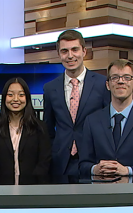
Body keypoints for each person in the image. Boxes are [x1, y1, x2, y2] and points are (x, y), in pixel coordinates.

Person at [78, 59, 133, 179]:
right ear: (108, 85)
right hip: (101, 194)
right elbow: (83, 165)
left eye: (126, 77)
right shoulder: (92, 121)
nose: (120, 81)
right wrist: (95, 169)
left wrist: (127, 170)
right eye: (115, 77)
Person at [43, 29, 110, 177]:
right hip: (60, 163)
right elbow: (48, 129)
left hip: (93, 161)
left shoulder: (102, 84)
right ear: (59, 54)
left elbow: (108, 125)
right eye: (64, 51)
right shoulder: (50, 88)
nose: (70, 56)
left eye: (75, 49)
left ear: (84, 51)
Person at [0, 78, 51, 177]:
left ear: (27, 98)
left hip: (33, 188)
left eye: (21, 95)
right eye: (10, 95)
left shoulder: (40, 128)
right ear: (4, 98)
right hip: (2, 189)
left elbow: (44, 162)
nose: (15, 99)